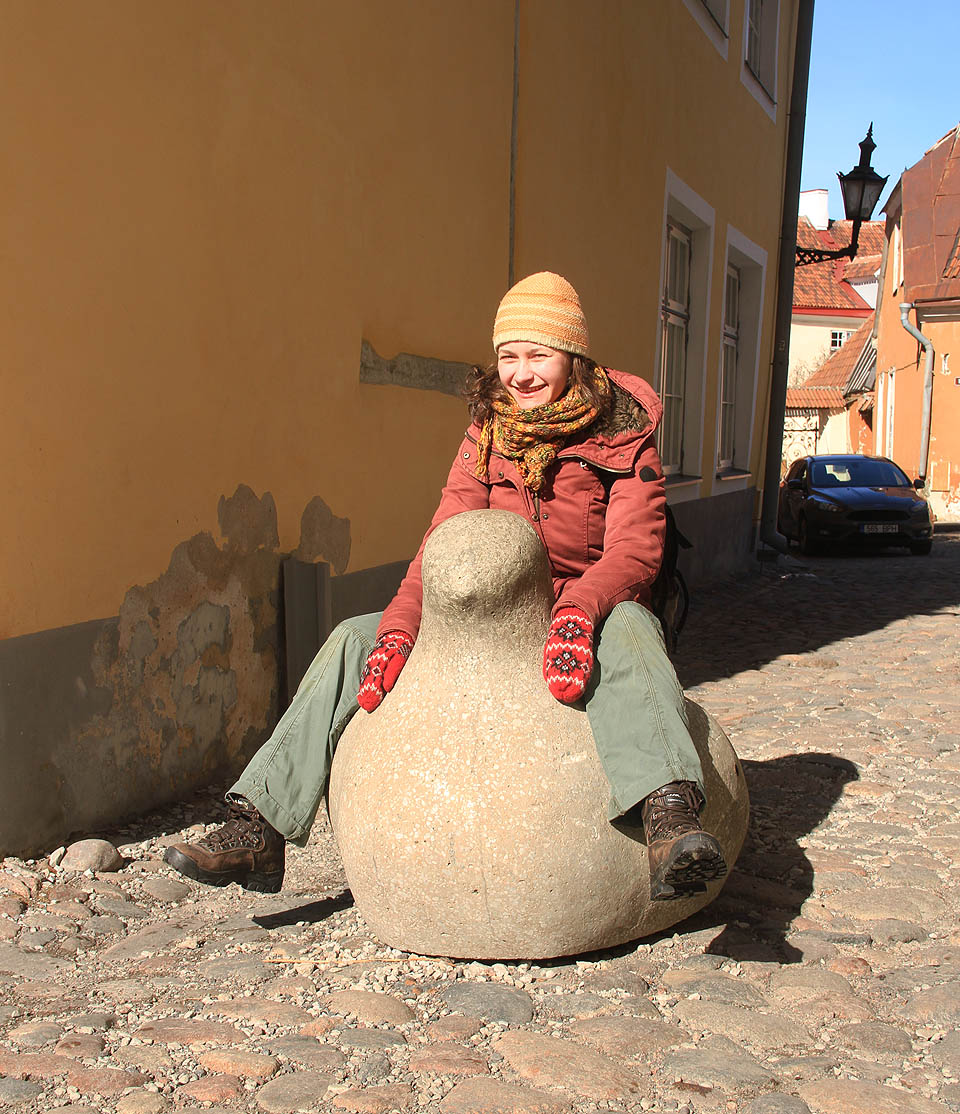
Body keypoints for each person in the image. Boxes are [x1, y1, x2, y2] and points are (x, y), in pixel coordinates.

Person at [164, 272, 727, 902]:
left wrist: (580, 608)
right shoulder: (486, 433)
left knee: (631, 628)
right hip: (492, 607)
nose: (521, 373)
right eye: (508, 357)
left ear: (572, 355)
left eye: (537, 355)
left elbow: (637, 550)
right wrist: (401, 625)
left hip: (591, 603)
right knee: (354, 636)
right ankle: (258, 828)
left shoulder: (623, 429)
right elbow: (441, 543)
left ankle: (669, 818)